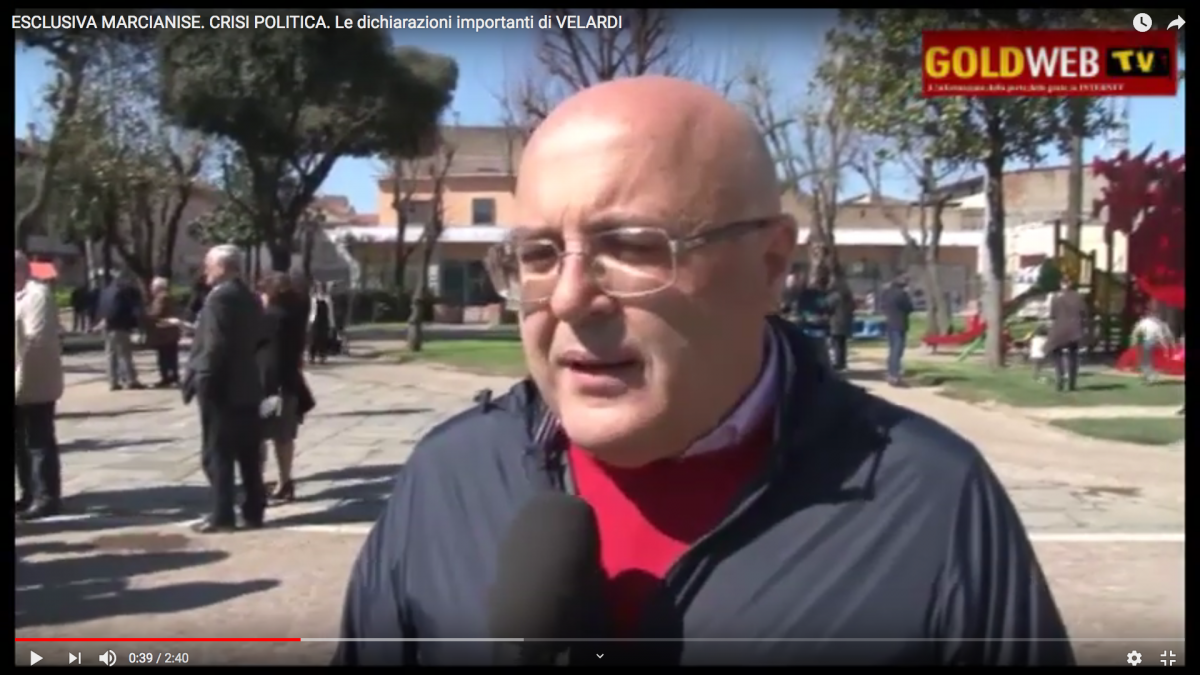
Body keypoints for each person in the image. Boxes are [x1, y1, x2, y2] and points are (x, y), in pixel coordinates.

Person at [334, 76, 1071, 666]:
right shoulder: (448, 476)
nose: (568, 298)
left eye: (631, 246)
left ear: (770, 264)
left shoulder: (932, 500)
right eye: (537, 255)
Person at [182, 245, 268, 533]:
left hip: (221, 385)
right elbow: (260, 336)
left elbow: (215, 343)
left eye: (208, 264)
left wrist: (203, 377)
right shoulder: (250, 297)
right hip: (247, 383)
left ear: (222, 267)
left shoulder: (219, 298)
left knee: (217, 451)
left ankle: (222, 515)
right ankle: (254, 510)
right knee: (248, 453)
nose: (205, 270)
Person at [16, 251, 66, 520]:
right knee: (20, 443)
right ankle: (29, 493)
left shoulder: (37, 295)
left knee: (38, 441)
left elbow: (35, 339)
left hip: (34, 381)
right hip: (18, 380)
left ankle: (46, 497)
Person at [256, 272, 310, 503]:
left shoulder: (269, 318)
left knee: (257, 435)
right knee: (284, 436)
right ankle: (285, 481)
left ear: (270, 293)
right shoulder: (295, 314)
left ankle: (256, 482)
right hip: (288, 383)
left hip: (269, 385)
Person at [95, 270, 145, 391]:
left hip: (107, 325)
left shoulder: (106, 291)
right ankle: (130, 380)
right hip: (120, 325)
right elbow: (134, 310)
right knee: (124, 354)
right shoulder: (126, 291)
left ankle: (113, 381)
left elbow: (101, 308)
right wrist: (138, 327)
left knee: (110, 355)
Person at [1047, 277, 1086, 392]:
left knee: (1056, 353)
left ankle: (1060, 378)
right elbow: (1084, 312)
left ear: (1061, 284)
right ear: (1070, 283)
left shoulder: (1055, 297)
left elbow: (1052, 315)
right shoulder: (1078, 296)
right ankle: (1072, 383)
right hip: (1074, 329)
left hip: (1059, 329)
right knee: (1073, 355)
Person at [145, 277, 183, 388]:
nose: (151, 288)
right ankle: (172, 377)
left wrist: (146, 315)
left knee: (165, 356)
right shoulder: (166, 297)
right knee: (170, 356)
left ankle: (167, 378)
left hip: (165, 333)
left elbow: (157, 313)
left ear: (159, 287)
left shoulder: (162, 298)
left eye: (153, 286)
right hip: (169, 332)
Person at [879, 274, 914, 386]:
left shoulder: (887, 293)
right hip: (900, 323)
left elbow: (882, 306)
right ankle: (894, 374)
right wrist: (908, 295)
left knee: (892, 349)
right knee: (897, 350)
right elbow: (910, 308)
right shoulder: (902, 294)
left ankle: (890, 372)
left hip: (890, 322)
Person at [1130, 303, 1175, 383]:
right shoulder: (1158, 322)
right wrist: (1167, 346)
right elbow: (1166, 334)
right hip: (1155, 343)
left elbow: (1136, 332)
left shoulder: (1146, 322)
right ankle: (1148, 374)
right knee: (1147, 360)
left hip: (1150, 342)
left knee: (1146, 360)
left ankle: (1150, 376)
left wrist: (1133, 341)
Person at [826, 281, 854, 372]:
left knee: (836, 343)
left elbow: (827, 307)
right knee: (842, 343)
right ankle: (842, 362)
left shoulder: (834, 296)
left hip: (836, 321)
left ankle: (838, 363)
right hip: (846, 321)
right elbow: (853, 307)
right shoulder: (848, 296)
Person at [307, 281, 333, 364]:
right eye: (319, 288)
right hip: (315, 320)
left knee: (323, 339)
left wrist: (332, 324)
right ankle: (311, 356)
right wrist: (308, 322)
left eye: (322, 288)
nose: (320, 290)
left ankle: (322, 357)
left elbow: (330, 312)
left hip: (324, 321)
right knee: (313, 339)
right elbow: (310, 311)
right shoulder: (313, 299)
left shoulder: (327, 299)